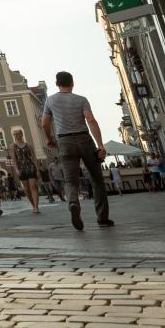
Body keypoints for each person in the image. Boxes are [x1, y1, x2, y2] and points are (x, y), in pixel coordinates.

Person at [42, 70, 113, 231]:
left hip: (64, 141)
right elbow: (91, 120)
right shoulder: (81, 100)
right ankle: (102, 218)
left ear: (57, 84)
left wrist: (49, 139)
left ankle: (73, 201)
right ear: (72, 83)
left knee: (71, 180)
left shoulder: (50, 100)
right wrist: (100, 145)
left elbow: (44, 123)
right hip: (84, 139)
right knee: (96, 179)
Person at [9, 127, 41, 214]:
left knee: (33, 186)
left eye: (17, 134)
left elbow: (34, 157)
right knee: (26, 189)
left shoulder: (28, 145)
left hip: (30, 167)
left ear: (21, 134)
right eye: (14, 134)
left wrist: (37, 169)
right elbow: (14, 159)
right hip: (21, 169)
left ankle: (36, 207)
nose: (16, 136)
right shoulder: (13, 146)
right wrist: (16, 169)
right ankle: (33, 205)